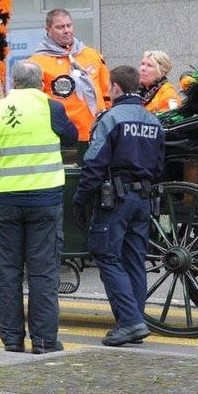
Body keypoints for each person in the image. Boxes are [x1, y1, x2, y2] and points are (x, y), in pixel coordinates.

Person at [0, 60, 78, 354]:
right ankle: (44, 342)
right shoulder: (51, 107)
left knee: (7, 273)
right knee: (43, 272)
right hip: (44, 201)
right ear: (41, 83)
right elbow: (71, 137)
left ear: (12, 83)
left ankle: (11, 340)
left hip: (5, 203)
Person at [74, 65, 166, 347]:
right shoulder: (153, 120)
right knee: (134, 261)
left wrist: (81, 198)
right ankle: (135, 319)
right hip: (143, 199)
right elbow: (160, 165)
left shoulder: (111, 119)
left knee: (107, 257)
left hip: (115, 199)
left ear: (115, 88)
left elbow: (94, 163)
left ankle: (130, 322)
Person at [30, 8, 110, 148]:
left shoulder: (92, 55)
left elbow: (107, 92)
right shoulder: (37, 62)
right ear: (48, 29)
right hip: (62, 137)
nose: (66, 30)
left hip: (97, 133)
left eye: (69, 25)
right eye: (60, 27)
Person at [138, 50, 182, 115]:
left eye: (149, 65)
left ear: (161, 71)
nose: (143, 69)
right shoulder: (138, 91)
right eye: (143, 64)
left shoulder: (168, 95)